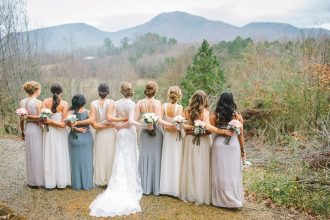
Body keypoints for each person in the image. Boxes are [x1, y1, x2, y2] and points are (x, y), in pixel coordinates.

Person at [89, 82, 143, 217]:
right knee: (130, 157)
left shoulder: (116, 103)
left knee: (119, 157)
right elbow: (130, 121)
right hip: (129, 132)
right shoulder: (133, 104)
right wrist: (141, 124)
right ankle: (129, 182)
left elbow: (110, 118)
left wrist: (118, 126)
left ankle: (116, 181)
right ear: (131, 92)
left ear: (121, 91)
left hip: (119, 133)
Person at [180, 90, 233, 205]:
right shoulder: (204, 111)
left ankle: (190, 193)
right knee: (201, 166)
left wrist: (191, 127)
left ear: (193, 98)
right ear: (204, 100)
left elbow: (183, 126)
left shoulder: (186, 111)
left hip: (189, 141)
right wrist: (222, 131)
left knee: (190, 166)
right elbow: (208, 127)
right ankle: (199, 193)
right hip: (202, 142)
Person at [133, 81, 174, 196]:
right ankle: (155, 188)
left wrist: (144, 123)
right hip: (156, 133)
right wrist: (171, 125)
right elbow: (159, 120)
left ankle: (143, 186)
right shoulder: (157, 103)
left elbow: (135, 120)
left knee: (144, 157)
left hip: (144, 133)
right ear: (155, 91)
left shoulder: (139, 103)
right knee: (156, 158)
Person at [210, 91, 245, 208]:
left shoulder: (215, 115)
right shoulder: (237, 116)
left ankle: (218, 200)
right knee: (232, 171)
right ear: (232, 101)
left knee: (219, 172)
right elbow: (241, 135)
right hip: (233, 145)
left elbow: (209, 130)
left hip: (218, 145)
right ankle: (233, 199)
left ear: (220, 100)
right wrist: (242, 150)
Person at [42, 83, 71, 189]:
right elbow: (63, 125)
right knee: (60, 154)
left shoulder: (45, 102)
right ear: (61, 92)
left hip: (49, 132)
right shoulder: (64, 104)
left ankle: (51, 181)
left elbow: (43, 121)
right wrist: (51, 122)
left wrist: (49, 121)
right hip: (59, 133)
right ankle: (60, 181)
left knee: (50, 154)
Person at [90, 83, 117, 186]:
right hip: (110, 133)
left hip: (99, 133)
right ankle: (109, 179)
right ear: (108, 92)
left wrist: (99, 124)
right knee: (110, 155)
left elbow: (95, 126)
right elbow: (112, 123)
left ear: (98, 91)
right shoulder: (111, 102)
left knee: (100, 155)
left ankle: (100, 179)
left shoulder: (93, 104)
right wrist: (108, 125)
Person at [159, 86, 183, 197]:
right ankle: (175, 188)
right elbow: (178, 125)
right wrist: (172, 126)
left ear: (169, 95)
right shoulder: (179, 107)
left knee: (167, 159)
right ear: (179, 95)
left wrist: (166, 127)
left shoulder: (163, 106)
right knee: (176, 159)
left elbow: (159, 120)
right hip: (175, 137)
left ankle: (165, 187)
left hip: (167, 135)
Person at [19, 81, 44, 187]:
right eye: (40, 90)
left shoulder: (22, 102)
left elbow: (21, 118)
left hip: (27, 129)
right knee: (37, 154)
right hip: (36, 129)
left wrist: (22, 131)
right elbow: (41, 118)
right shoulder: (38, 102)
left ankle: (31, 180)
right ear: (36, 90)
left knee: (30, 154)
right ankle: (38, 181)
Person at [67, 94, 94, 190]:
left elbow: (68, 123)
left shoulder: (70, 113)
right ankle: (87, 184)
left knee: (75, 161)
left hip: (73, 138)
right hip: (86, 137)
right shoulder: (88, 112)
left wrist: (76, 128)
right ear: (84, 102)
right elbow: (92, 120)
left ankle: (76, 184)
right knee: (87, 161)